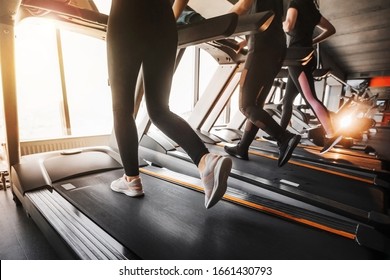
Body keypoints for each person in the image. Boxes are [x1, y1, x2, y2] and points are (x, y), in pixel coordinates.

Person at [106, 0, 232, 209]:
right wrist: (161, 19)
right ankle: (205, 160)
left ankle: (131, 180)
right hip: (164, 21)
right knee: (159, 109)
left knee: (122, 108)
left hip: (127, 15)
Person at [224, 0, 301, 167]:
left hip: (261, 49)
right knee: (256, 104)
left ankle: (284, 138)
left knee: (246, 106)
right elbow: (269, 18)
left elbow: (243, 5)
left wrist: (220, 24)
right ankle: (242, 147)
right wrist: (246, 40)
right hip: (277, 48)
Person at [281, 0, 339, 153]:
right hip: (305, 55)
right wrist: (313, 41)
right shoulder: (312, 10)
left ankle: (332, 133)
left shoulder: (295, 3)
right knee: (287, 100)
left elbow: (288, 25)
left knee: (310, 98)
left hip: (297, 58)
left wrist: (276, 25)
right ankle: (280, 135)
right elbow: (331, 29)